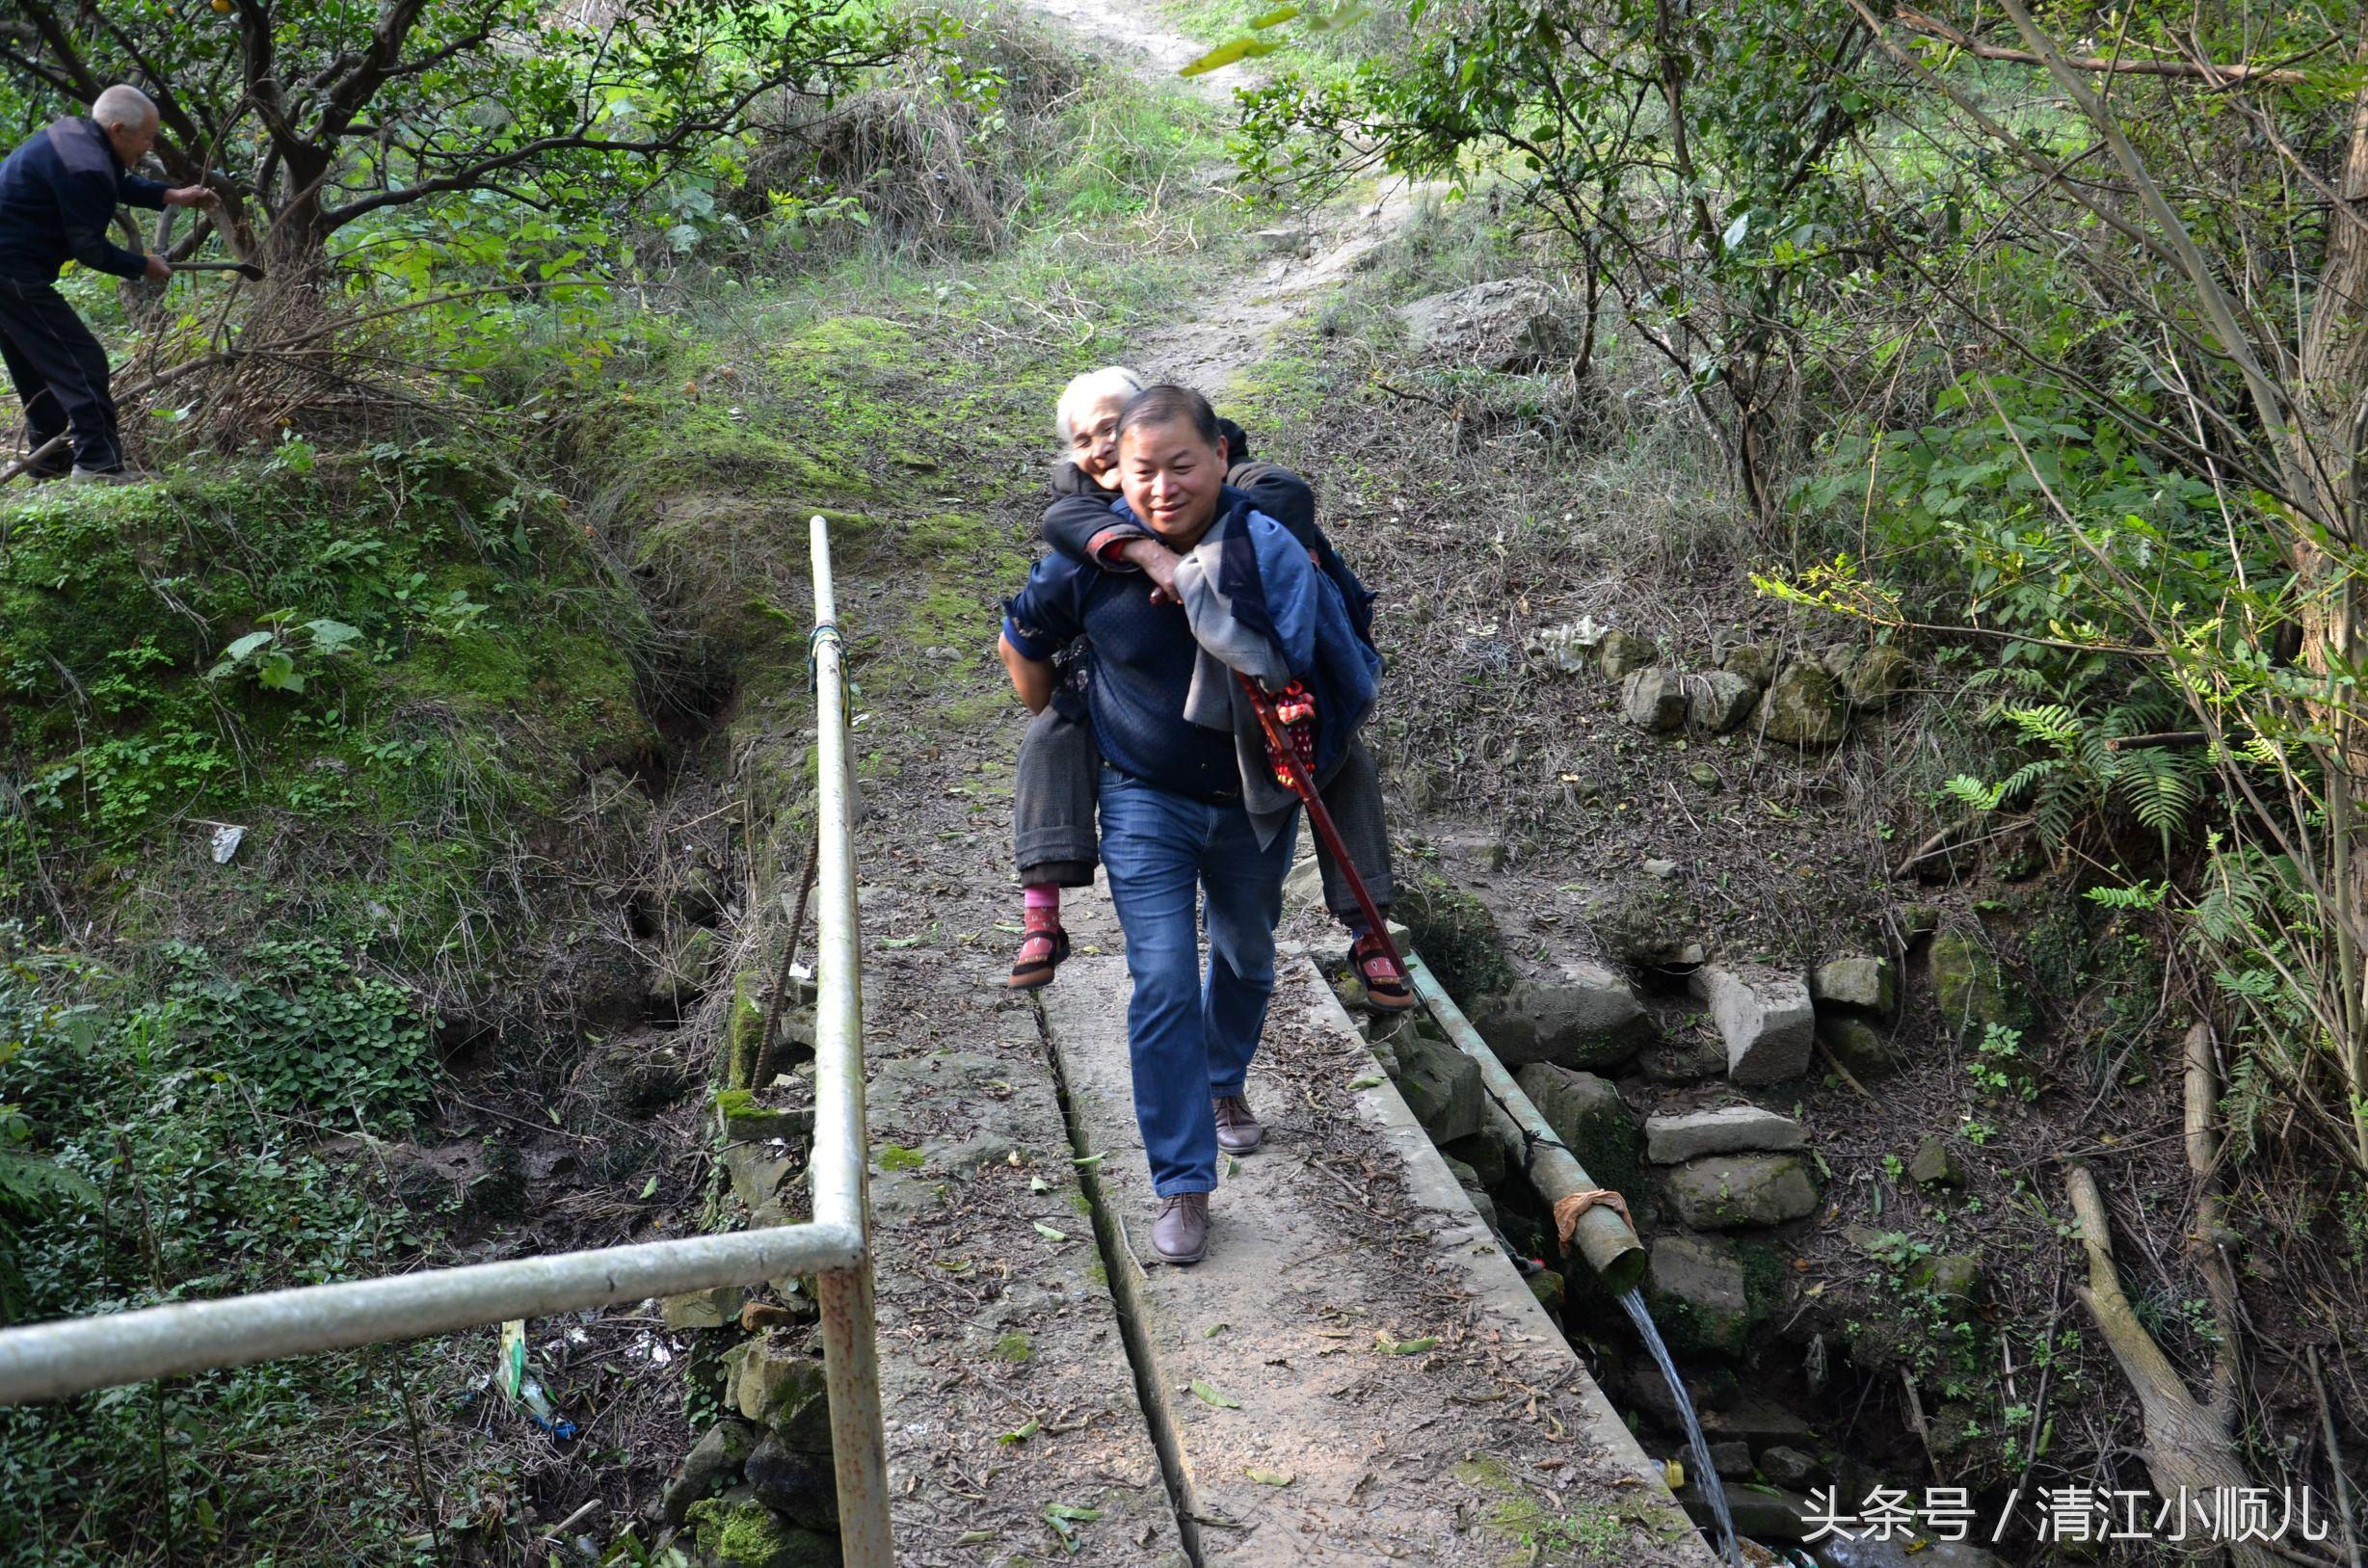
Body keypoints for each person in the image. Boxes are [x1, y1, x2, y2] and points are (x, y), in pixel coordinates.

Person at [998, 385, 1380, 1265]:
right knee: (1163, 978)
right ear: (1115, 478)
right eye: (1143, 472)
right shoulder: (1088, 559)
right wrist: (1066, 714)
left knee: (1246, 954)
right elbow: (1023, 642)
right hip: (1143, 798)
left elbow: (1333, 642)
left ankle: (1221, 1080)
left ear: (1218, 456)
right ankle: (1182, 1183)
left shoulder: (1264, 542)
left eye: (1181, 465)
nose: (1163, 487)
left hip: (1256, 797)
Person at [1008, 364, 1412, 1013]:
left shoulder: (1231, 475)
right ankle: (1042, 906)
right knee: (1054, 730)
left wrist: (1211, 555)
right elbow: (1051, 557)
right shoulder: (1079, 507)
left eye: (1117, 426)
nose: (1104, 446)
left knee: (1339, 756)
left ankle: (1368, 926)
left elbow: (1280, 497)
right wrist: (1143, 552)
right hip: (1135, 741)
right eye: (1086, 438)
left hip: (1276, 698)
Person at [0, 86, 219, 481]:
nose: (150, 147)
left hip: (9, 266)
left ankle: (48, 459)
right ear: (118, 129)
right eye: (147, 138)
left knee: (36, 362)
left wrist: (171, 194)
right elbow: (90, 249)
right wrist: (142, 265)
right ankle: (98, 463)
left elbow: (114, 179)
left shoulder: (74, 135)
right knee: (82, 359)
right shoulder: (87, 166)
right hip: (11, 270)